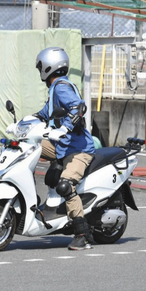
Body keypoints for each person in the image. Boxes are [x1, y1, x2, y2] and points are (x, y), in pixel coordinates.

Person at [34, 47, 96, 250]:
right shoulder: (54, 90)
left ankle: (82, 234)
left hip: (78, 149)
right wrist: (23, 126)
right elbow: (44, 113)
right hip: (62, 146)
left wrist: (65, 128)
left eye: (41, 67)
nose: (40, 71)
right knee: (28, 147)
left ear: (48, 66)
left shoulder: (61, 87)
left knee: (65, 186)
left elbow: (78, 107)